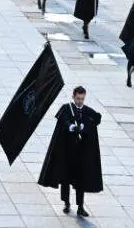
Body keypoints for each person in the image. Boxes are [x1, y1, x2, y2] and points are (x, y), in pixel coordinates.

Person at [38, 86, 103, 217]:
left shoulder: (87, 111)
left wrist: (85, 126)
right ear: (73, 97)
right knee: (65, 179)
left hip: (81, 153)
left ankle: (80, 206)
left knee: (81, 180)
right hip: (67, 152)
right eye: (78, 98)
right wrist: (71, 126)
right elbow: (63, 120)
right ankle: (66, 203)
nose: (80, 101)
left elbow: (97, 118)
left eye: (82, 99)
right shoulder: (66, 108)